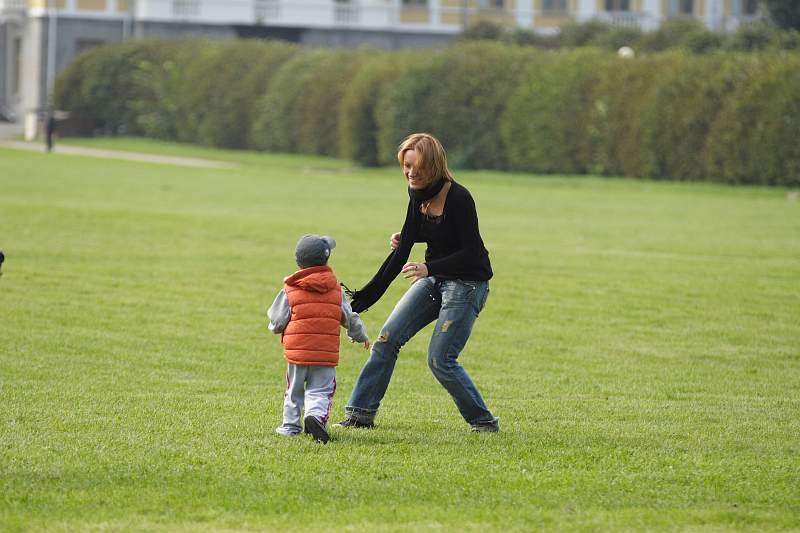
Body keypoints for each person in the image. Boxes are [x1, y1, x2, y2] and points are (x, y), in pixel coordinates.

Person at [335, 133, 499, 433]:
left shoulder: (459, 198)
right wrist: (358, 303)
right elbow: (402, 253)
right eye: (406, 166)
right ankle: (360, 415)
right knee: (386, 339)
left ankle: (484, 422)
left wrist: (429, 266)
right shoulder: (417, 193)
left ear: (433, 166)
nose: (410, 173)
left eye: (416, 167)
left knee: (440, 359)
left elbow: (471, 252)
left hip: (467, 284)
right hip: (435, 279)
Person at [267, 234, 370, 443]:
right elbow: (349, 317)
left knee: (293, 390)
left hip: (297, 353)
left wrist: (275, 328)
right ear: (326, 259)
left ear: (298, 261)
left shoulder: (290, 289)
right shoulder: (335, 290)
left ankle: (290, 426)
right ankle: (314, 415)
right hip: (325, 353)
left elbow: (277, 320)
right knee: (321, 390)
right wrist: (360, 335)